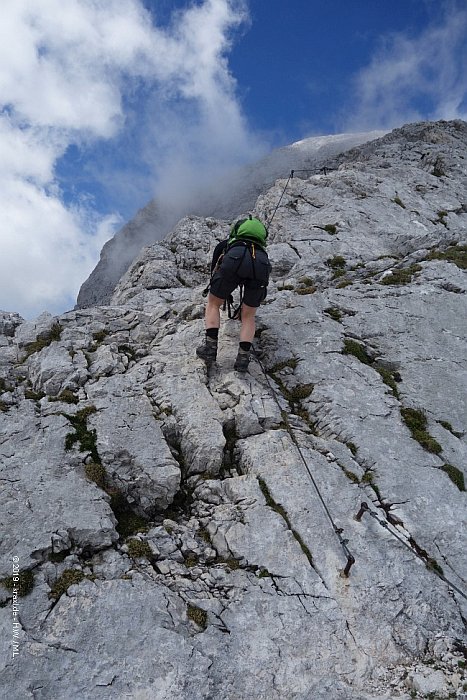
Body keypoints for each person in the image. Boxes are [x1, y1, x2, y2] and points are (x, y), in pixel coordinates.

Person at [196, 215, 271, 372]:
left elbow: (216, 269)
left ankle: (210, 349)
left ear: (236, 232)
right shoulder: (262, 252)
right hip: (260, 267)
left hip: (234, 259)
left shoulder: (228, 245)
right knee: (249, 316)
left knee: (213, 303)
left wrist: (221, 292)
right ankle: (243, 359)